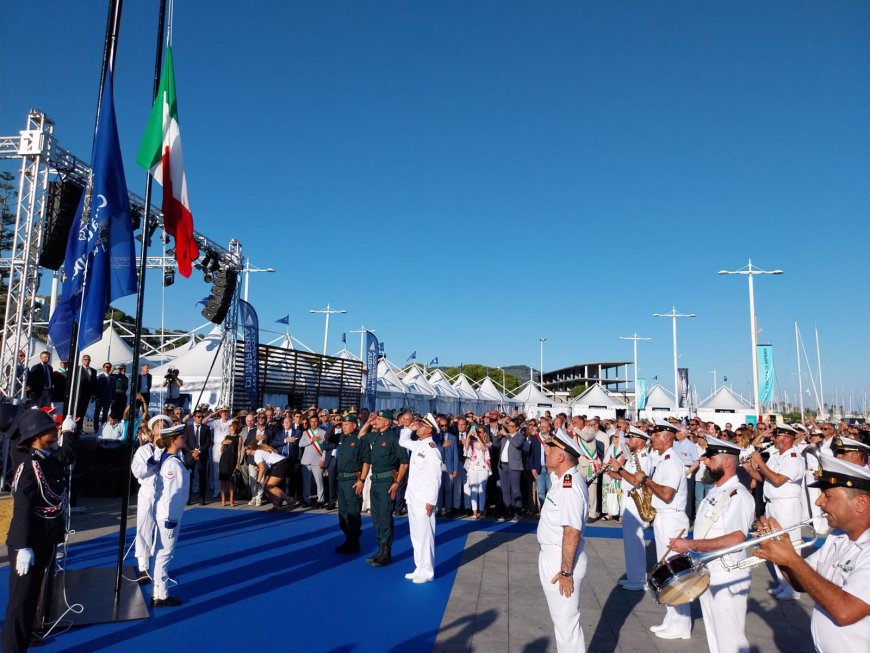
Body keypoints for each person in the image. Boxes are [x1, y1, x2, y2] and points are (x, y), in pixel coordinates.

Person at [755, 453, 870, 653]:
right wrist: (782, 556)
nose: (818, 503)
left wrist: (791, 558)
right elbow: (801, 583)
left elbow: (845, 611)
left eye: (828, 495)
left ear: (860, 503)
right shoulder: (838, 537)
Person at [668, 435, 756, 653]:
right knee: (716, 638)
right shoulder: (716, 491)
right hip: (711, 570)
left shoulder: (738, 495)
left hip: (728, 574)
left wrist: (691, 545)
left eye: (710, 458)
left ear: (727, 462)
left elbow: (737, 537)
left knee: (731, 641)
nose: (705, 461)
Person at [2, 411, 77, 653]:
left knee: (33, 597)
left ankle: (23, 639)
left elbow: (68, 456)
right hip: (29, 540)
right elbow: (22, 508)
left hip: (46, 538)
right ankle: (13, 648)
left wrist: (68, 433)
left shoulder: (49, 457)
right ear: (36, 435)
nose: (54, 432)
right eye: (50, 430)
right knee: (21, 602)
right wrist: (23, 546)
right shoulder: (28, 465)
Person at [611, 418, 691, 639]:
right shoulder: (665, 460)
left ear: (667, 437)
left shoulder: (672, 461)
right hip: (664, 519)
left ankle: (681, 624)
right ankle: (673, 617)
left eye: (655, 435)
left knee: (676, 573)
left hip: (672, 519)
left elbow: (666, 494)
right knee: (667, 570)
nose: (652, 438)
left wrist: (645, 480)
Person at [537, 428, 589, 653]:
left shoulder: (570, 485)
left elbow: (572, 530)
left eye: (551, 449)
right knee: (562, 623)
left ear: (561, 457)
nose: (546, 452)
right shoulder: (562, 479)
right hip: (555, 555)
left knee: (567, 625)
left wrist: (566, 572)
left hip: (562, 559)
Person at [744, 422, 805, 600]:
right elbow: (764, 478)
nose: (773, 438)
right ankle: (783, 583)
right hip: (772, 504)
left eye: (777, 436)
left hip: (787, 506)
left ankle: (794, 588)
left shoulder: (793, 457)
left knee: (790, 545)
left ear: (787, 438)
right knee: (775, 543)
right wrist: (749, 469)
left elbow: (777, 480)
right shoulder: (777, 455)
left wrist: (760, 462)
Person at [359, 409, 408, 567]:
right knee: (377, 517)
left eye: (380, 419)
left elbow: (404, 462)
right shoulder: (376, 436)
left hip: (387, 481)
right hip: (376, 481)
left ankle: (386, 553)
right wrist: (368, 422)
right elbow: (360, 436)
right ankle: (380, 550)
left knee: (386, 517)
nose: (377, 421)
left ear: (387, 422)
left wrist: (397, 482)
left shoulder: (394, 438)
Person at [608, 424, 653, 591]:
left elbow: (636, 481)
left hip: (637, 503)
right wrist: (612, 473)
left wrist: (619, 468)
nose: (628, 441)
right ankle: (634, 576)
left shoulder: (645, 459)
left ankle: (640, 579)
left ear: (641, 441)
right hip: (628, 502)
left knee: (636, 542)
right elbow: (626, 479)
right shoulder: (634, 457)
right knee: (630, 542)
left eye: (632, 438)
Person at [399, 415, 443, 583]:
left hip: (424, 500)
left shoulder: (432, 449)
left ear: (429, 429)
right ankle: (419, 567)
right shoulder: (419, 444)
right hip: (413, 497)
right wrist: (410, 428)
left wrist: (431, 500)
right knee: (416, 536)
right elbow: (402, 441)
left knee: (426, 536)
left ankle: (428, 572)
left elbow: (435, 477)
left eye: (422, 425)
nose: (419, 427)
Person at [151, 423, 189, 607]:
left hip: (166, 513)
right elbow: (173, 493)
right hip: (169, 515)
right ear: (173, 440)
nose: (184, 439)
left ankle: (158, 592)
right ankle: (161, 595)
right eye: (181, 437)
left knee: (162, 554)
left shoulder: (170, 458)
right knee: (165, 554)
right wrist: (172, 519)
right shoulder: (172, 464)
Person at [130, 415, 169, 584]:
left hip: (165, 494)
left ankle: (160, 567)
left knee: (164, 531)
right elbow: (137, 472)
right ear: (152, 431)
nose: (160, 429)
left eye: (164, 426)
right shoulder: (144, 450)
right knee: (144, 528)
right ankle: (143, 566)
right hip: (147, 492)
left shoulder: (172, 450)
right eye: (157, 426)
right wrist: (152, 462)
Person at [334, 413, 366, 554]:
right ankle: (348, 539)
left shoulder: (359, 439)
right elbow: (328, 439)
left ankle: (354, 543)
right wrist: (333, 425)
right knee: (343, 513)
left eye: (347, 425)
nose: (344, 427)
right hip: (341, 480)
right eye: (343, 424)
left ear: (354, 426)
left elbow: (366, 461)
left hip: (353, 480)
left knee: (352, 512)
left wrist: (361, 480)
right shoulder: (342, 438)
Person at [245, 441, 293, 510]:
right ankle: (276, 506)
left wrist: (257, 483)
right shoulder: (260, 451)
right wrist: (260, 468)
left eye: (246, 449)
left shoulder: (257, 454)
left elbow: (262, 468)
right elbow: (265, 467)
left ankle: (289, 500)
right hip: (276, 465)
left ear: (251, 449)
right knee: (265, 488)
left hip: (280, 465)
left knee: (269, 486)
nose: (245, 451)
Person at [495, 417, 525, 522]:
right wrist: (497, 436)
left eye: (512, 426)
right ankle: (508, 512)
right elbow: (495, 445)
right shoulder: (504, 437)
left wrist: (507, 435)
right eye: (509, 425)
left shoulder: (520, 437)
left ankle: (518, 513)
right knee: (505, 490)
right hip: (503, 466)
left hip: (514, 466)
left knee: (515, 490)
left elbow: (517, 444)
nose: (509, 428)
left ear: (517, 427)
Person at [183, 408, 212, 505]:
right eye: (199, 417)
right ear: (194, 417)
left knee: (202, 477)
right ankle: (188, 498)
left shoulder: (206, 428)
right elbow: (185, 443)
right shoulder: (188, 428)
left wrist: (199, 451)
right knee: (189, 477)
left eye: (202, 417)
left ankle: (202, 498)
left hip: (202, 455)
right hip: (190, 455)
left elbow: (208, 442)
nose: (201, 418)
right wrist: (192, 452)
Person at [463, 422, 492, 519]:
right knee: (474, 490)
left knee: (482, 490)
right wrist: (468, 435)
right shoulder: (471, 442)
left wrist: (478, 437)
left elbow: (484, 448)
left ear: (484, 433)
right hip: (472, 468)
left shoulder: (488, 443)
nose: (478, 433)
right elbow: (466, 448)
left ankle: (482, 511)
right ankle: (474, 512)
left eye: (480, 432)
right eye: (477, 432)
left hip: (483, 468)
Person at [299, 413, 326, 507]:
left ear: (318, 422)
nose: (313, 423)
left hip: (318, 461)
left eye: (315, 422)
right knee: (306, 483)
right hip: (306, 461)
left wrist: (323, 459)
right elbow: (300, 444)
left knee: (319, 482)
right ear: (309, 423)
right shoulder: (305, 433)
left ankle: (321, 500)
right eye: (312, 422)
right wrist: (311, 440)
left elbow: (325, 449)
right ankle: (307, 500)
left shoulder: (323, 432)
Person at [218, 420, 242, 507]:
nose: (229, 427)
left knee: (231, 481)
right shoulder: (226, 436)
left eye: (230, 426)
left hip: (232, 460)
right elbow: (221, 450)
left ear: (234, 427)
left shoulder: (239, 437)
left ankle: (232, 498)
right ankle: (223, 499)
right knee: (223, 481)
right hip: (224, 459)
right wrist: (222, 443)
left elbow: (239, 451)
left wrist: (238, 462)